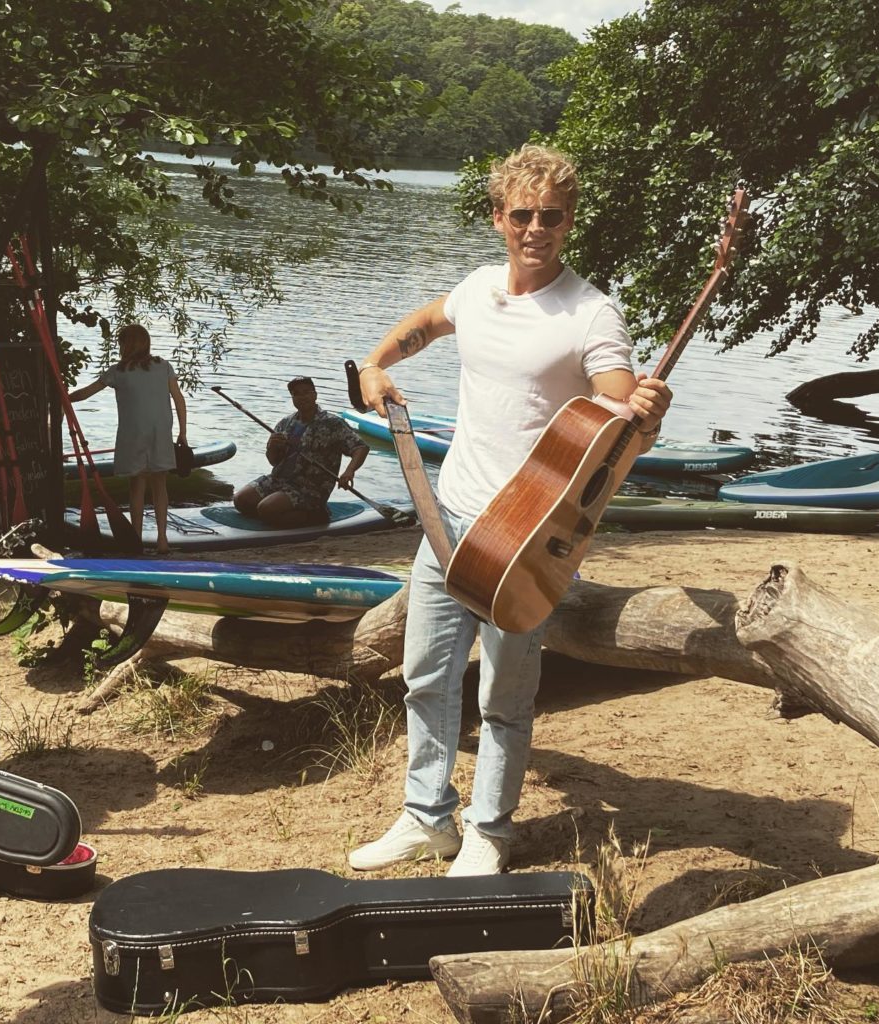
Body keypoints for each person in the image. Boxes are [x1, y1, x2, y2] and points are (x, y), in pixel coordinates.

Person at [349, 143, 672, 877]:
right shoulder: (477, 290)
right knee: (426, 676)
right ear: (499, 218)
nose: (536, 228)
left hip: (527, 536)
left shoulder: (591, 313)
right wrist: (376, 364)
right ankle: (426, 819)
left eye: (550, 216)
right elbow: (428, 323)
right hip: (448, 520)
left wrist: (644, 414)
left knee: (503, 692)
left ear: (569, 220)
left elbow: (619, 408)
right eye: (522, 214)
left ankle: (490, 829)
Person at [70, 324, 188, 554]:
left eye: (121, 342)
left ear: (126, 344)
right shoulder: (163, 366)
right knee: (160, 485)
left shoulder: (118, 371)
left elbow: (86, 392)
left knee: (137, 486)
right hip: (160, 431)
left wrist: (64, 397)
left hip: (133, 433)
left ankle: (136, 539)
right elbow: (179, 399)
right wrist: (182, 432)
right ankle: (162, 540)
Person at [233, 376, 369, 528]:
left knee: (266, 509)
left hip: (310, 487)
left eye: (306, 392)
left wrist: (349, 472)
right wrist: (272, 446)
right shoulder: (286, 423)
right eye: (296, 394)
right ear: (292, 398)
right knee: (240, 500)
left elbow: (360, 447)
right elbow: (273, 461)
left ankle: (315, 515)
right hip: (278, 479)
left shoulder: (332, 423)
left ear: (315, 395)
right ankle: (279, 513)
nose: (302, 397)